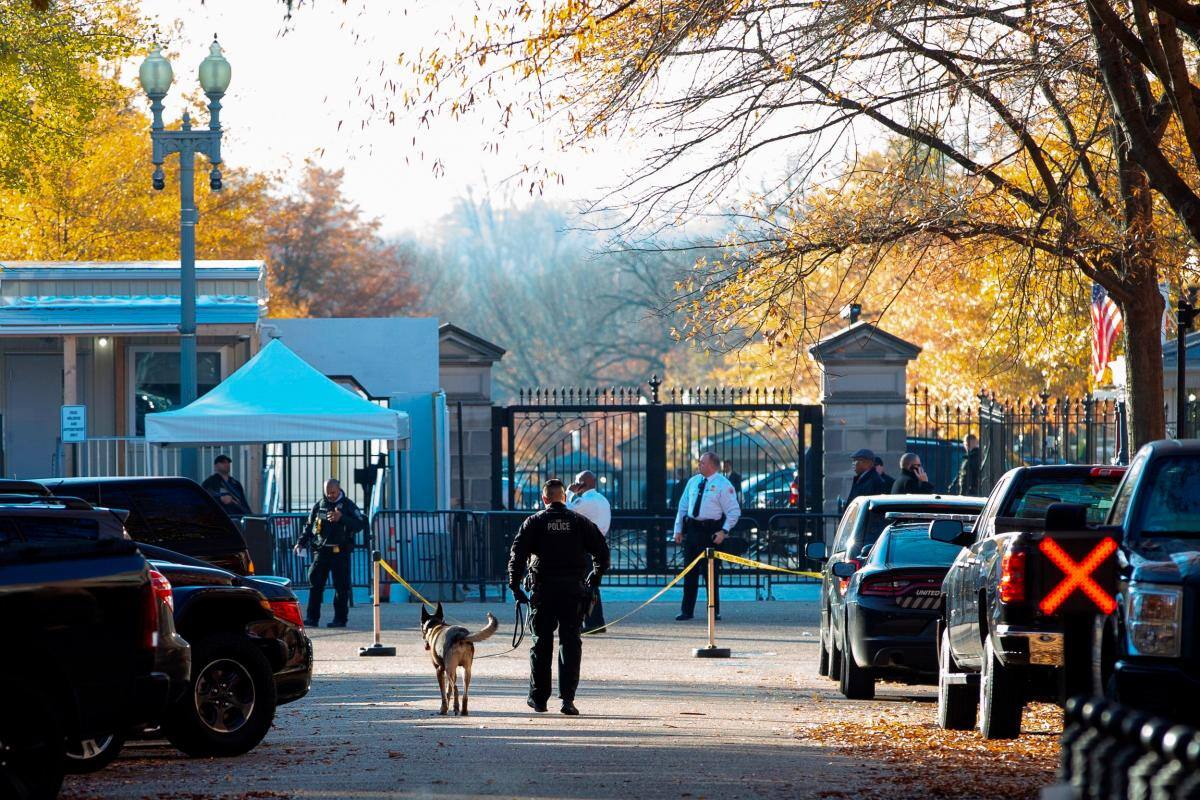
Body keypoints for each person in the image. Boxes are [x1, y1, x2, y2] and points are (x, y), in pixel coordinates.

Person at [508, 479, 610, 715]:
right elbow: (602, 552)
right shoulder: (579, 521)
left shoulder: (534, 522)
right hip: (572, 591)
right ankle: (568, 700)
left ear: (544, 499)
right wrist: (595, 577)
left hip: (543, 591)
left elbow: (517, 555)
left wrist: (515, 586)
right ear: (564, 497)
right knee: (570, 643)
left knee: (541, 644)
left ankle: (539, 699)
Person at [673, 451, 741, 621]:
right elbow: (683, 506)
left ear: (712, 465)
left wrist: (724, 531)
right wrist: (678, 529)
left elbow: (734, 511)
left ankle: (713, 610)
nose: (699, 465)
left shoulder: (723, 485)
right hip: (693, 530)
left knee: (710, 573)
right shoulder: (693, 481)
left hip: (711, 532)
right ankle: (686, 610)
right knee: (689, 572)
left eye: (702, 463)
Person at [294, 478, 366, 628]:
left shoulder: (348, 505)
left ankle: (340, 619)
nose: (330, 496)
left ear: (339, 490)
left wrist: (342, 518)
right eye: (328, 493)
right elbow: (309, 526)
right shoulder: (320, 505)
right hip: (322, 551)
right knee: (315, 584)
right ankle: (312, 618)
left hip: (340, 552)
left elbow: (360, 524)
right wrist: (300, 542)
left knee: (341, 587)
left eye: (333, 492)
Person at [567, 470, 612, 633]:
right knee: (591, 585)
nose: (575, 484)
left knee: (583, 585)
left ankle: (591, 622)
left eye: (577, 481)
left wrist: (569, 492)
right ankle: (596, 621)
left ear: (582, 484)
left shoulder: (586, 500)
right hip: (598, 545)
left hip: (586, 547)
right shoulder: (602, 499)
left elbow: (565, 511)